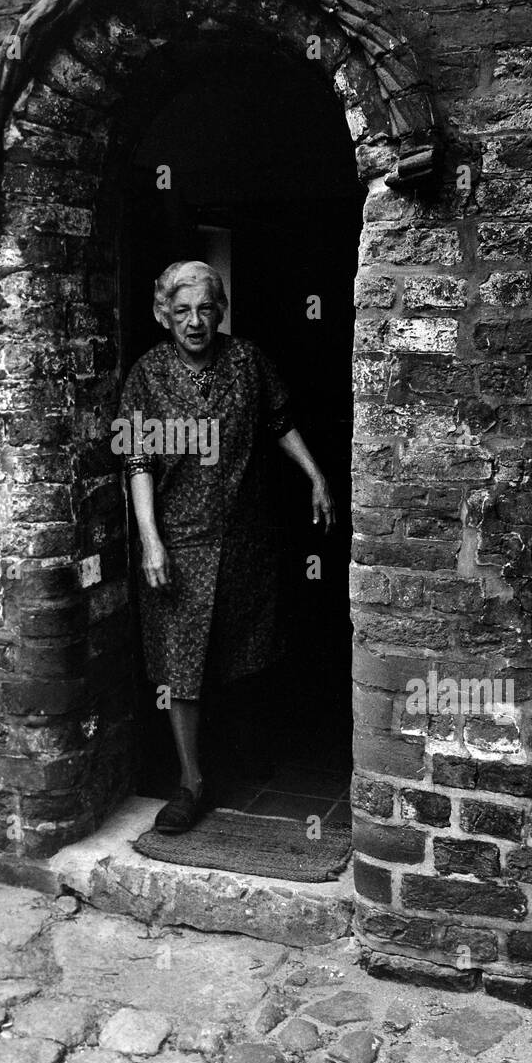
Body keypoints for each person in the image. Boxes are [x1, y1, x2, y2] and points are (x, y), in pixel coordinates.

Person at [116, 260, 334, 834]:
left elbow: (279, 420)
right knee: (181, 664)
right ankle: (190, 783)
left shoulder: (247, 361)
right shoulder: (148, 375)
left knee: (244, 649)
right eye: (182, 310)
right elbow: (136, 461)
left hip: (243, 539)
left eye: (206, 309)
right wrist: (150, 542)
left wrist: (315, 473)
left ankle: (241, 753)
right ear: (164, 314)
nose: (195, 321)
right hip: (179, 543)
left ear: (220, 311)